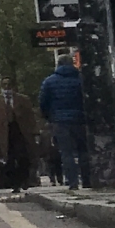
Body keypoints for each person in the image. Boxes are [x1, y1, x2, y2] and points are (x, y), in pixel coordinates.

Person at [38, 54, 89, 188]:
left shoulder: (49, 81)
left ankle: (72, 183)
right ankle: (87, 180)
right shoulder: (81, 79)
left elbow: (43, 102)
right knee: (83, 150)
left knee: (66, 153)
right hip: (80, 119)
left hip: (59, 121)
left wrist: (49, 117)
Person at [0, 86, 39, 191]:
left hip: (20, 133)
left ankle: (24, 181)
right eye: (5, 87)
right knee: (7, 160)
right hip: (3, 135)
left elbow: (30, 117)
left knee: (24, 159)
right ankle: (13, 184)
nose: (7, 90)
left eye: (9, 87)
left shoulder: (23, 99)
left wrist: (35, 132)